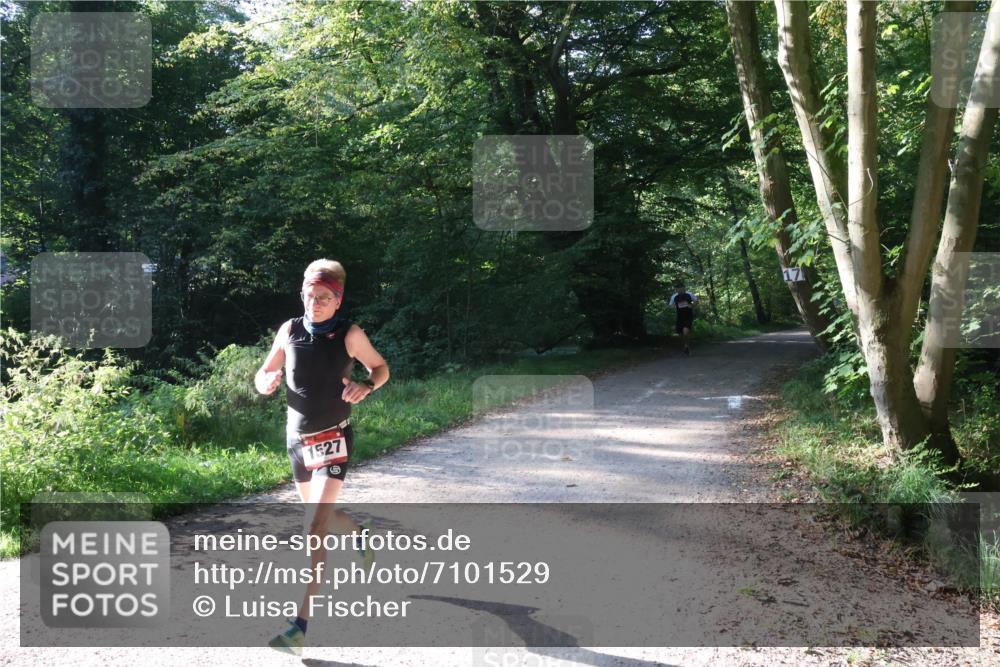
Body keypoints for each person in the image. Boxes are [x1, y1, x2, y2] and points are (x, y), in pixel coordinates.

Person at [254, 259, 389, 656]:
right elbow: (264, 373)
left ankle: (298, 627)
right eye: (309, 296)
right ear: (302, 294)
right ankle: (361, 535)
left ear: (338, 300)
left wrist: (367, 385)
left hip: (334, 440)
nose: (314, 304)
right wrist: (266, 381)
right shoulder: (289, 330)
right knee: (323, 518)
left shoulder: (350, 334)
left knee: (313, 527)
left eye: (324, 298)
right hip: (297, 442)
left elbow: (380, 368)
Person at [668, 282, 699, 355]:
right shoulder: (674, 296)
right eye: (678, 289)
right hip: (679, 316)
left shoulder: (689, 294)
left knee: (685, 331)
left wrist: (692, 305)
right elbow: (670, 305)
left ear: (684, 288)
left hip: (688, 315)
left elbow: (696, 301)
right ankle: (686, 346)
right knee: (680, 333)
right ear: (676, 289)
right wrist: (674, 306)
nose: (680, 290)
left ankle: (686, 346)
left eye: (681, 288)